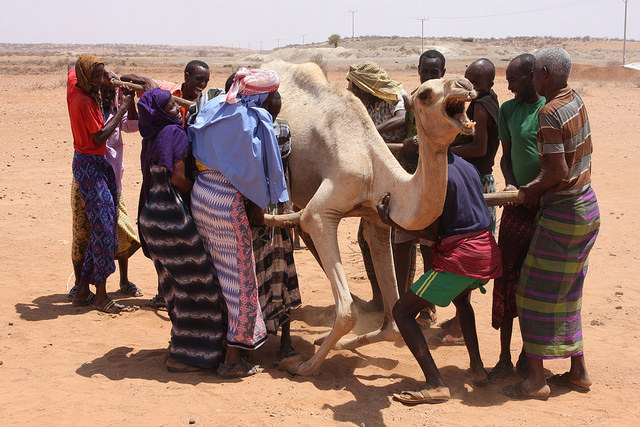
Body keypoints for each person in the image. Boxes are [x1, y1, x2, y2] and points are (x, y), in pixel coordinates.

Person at [504, 47, 600, 400]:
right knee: (567, 292)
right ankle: (578, 372)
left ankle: (536, 380)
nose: (528, 81)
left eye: (532, 75)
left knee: (531, 294)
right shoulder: (575, 99)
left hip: (563, 212)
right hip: (588, 206)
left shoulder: (549, 112)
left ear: (543, 72)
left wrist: (530, 189)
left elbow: (556, 171)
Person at [376, 149, 502, 405]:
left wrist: (392, 221)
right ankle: (478, 369)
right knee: (462, 302)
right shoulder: (467, 166)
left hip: (462, 256)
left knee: (401, 311)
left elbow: (433, 232)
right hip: (486, 249)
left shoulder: (436, 175)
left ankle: (435, 383)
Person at [189, 68, 288, 379]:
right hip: (227, 203)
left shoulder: (213, 107)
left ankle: (216, 345)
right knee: (242, 281)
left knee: (218, 275)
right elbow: (259, 169)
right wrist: (270, 200)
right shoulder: (253, 121)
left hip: (201, 194)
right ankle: (233, 360)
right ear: (263, 95)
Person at [137, 88, 225, 372]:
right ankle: (187, 357)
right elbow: (177, 177)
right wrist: (201, 191)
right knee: (201, 286)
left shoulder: (152, 136)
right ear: (161, 112)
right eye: (171, 106)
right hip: (170, 215)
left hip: (153, 214)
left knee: (175, 286)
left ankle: (180, 346)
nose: (178, 109)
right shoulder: (173, 134)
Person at [433, 58, 500, 345]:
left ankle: (462, 326)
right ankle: (461, 319)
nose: (469, 84)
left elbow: (480, 146)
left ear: (488, 83)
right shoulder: (487, 101)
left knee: (465, 250)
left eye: (475, 81)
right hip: (476, 176)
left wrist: (447, 147)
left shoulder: (482, 107)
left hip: (476, 180)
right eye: (467, 78)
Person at [488, 54, 545, 383]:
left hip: (544, 208)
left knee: (533, 283)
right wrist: (510, 183)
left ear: (534, 76)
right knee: (506, 278)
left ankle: (529, 354)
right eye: (506, 80)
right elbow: (506, 157)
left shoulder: (547, 110)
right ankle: (504, 357)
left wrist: (536, 190)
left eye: (514, 80)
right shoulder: (508, 110)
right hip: (515, 206)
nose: (508, 86)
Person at [66, 54, 134, 313]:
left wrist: (107, 76)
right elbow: (100, 137)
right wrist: (124, 108)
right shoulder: (84, 101)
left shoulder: (75, 85)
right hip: (90, 165)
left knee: (101, 228)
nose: (97, 83)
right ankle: (101, 296)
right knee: (105, 230)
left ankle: (84, 289)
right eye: (94, 77)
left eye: (100, 76)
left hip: (93, 165)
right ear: (85, 77)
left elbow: (72, 68)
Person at [346, 60, 407, 309]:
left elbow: (402, 119)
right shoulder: (359, 104)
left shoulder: (396, 95)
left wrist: (372, 131)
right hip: (372, 177)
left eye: (354, 85)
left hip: (397, 172)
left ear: (365, 86)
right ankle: (380, 297)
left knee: (399, 237)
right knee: (366, 238)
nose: (351, 89)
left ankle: (403, 300)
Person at [394, 50, 446, 322]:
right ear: (418, 70)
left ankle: (426, 304)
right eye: (424, 71)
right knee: (402, 242)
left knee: (428, 244)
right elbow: (405, 126)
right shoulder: (414, 97)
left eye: (434, 73)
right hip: (408, 180)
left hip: (431, 184)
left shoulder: (446, 101)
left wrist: (419, 143)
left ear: (442, 74)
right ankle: (403, 301)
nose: (428, 77)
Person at [251, 90, 302, 359]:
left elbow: (284, 167)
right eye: (270, 109)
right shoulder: (246, 127)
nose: (274, 116)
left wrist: (288, 204)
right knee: (255, 271)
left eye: (277, 111)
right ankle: (254, 335)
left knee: (282, 270)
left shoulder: (282, 128)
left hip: (274, 206)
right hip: (253, 207)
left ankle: (285, 339)